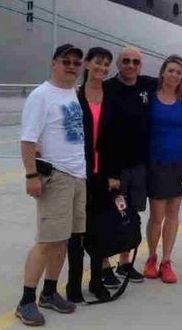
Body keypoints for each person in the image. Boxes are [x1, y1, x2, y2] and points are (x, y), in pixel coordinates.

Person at [16, 44, 86, 326]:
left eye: (76, 62)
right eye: (66, 61)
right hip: (56, 175)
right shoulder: (41, 96)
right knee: (46, 241)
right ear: (54, 64)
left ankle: (49, 292)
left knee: (63, 240)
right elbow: (27, 140)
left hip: (78, 176)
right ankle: (26, 301)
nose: (71, 66)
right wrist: (31, 176)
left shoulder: (72, 93)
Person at [96, 46, 159, 285]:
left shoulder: (146, 84)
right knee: (109, 215)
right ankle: (103, 266)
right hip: (115, 168)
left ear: (140, 66)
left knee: (131, 217)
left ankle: (124, 263)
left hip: (139, 167)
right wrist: (109, 171)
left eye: (135, 62)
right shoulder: (107, 88)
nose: (130, 66)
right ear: (118, 65)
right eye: (126, 61)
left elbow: (173, 81)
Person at [66, 47, 113, 303]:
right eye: (98, 63)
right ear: (87, 64)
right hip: (78, 173)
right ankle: (74, 284)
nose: (102, 68)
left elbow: (116, 139)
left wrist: (114, 173)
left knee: (99, 229)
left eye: (107, 64)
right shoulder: (75, 96)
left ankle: (97, 282)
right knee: (76, 232)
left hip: (103, 174)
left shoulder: (111, 97)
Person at [143, 55, 182, 284]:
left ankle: (167, 260)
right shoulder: (149, 98)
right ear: (163, 72)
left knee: (173, 214)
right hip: (155, 162)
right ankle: (151, 256)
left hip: (178, 162)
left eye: (179, 73)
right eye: (171, 70)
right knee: (156, 215)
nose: (174, 75)